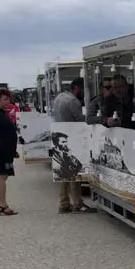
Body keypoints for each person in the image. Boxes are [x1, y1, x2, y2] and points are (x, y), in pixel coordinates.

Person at [51, 78, 95, 214]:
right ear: (78, 88)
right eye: (83, 90)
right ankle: (77, 203)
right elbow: (81, 121)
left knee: (64, 173)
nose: (84, 93)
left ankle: (64, 203)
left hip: (59, 136)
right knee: (75, 172)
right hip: (72, 138)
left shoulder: (59, 98)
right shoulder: (73, 101)